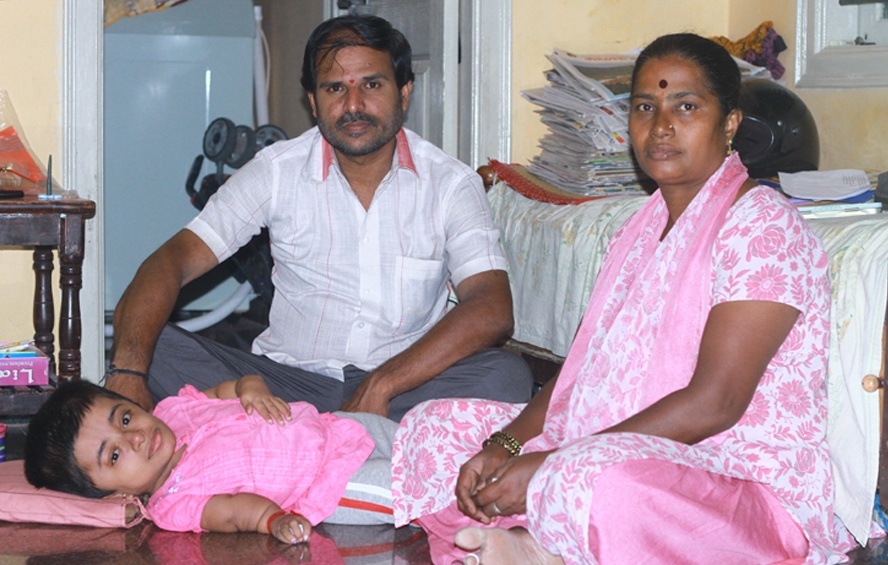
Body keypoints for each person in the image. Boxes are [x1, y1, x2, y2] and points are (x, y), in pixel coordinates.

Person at [389, 33, 856, 564]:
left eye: (686, 106)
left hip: (731, 481)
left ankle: (538, 541)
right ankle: (539, 539)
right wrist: (505, 445)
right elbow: (582, 375)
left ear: (729, 123)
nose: (661, 126)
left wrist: (555, 462)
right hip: (609, 445)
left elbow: (717, 402)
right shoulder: (638, 229)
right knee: (434, 431)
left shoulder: (763, 226)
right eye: (645, 107)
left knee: (603, 484)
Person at [103, 14, 532, 421]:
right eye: (334, 89)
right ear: (313, 101)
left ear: (404, 92)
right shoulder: (277, 171)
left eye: (372, 84)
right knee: (153, 346)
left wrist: (382, 383)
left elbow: (491, 307)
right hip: (284, 387)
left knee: (506, 376)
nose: (353, 105)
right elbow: (172, 261)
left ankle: (297, 440)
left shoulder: (451, 184)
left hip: (401, 386)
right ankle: (342, 436)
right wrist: (127, 373)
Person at [24, 376, 401, 543]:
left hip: (334, 425)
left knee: (412, 437)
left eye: (124, 418)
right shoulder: (173, 503)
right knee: (405, 485)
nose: (135, 436)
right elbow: (234, 511)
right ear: (114, 494)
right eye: (115, 455)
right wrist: (273, 520)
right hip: (330, 483)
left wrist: (251, 388)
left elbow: (229, 388)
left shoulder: (174, 410)